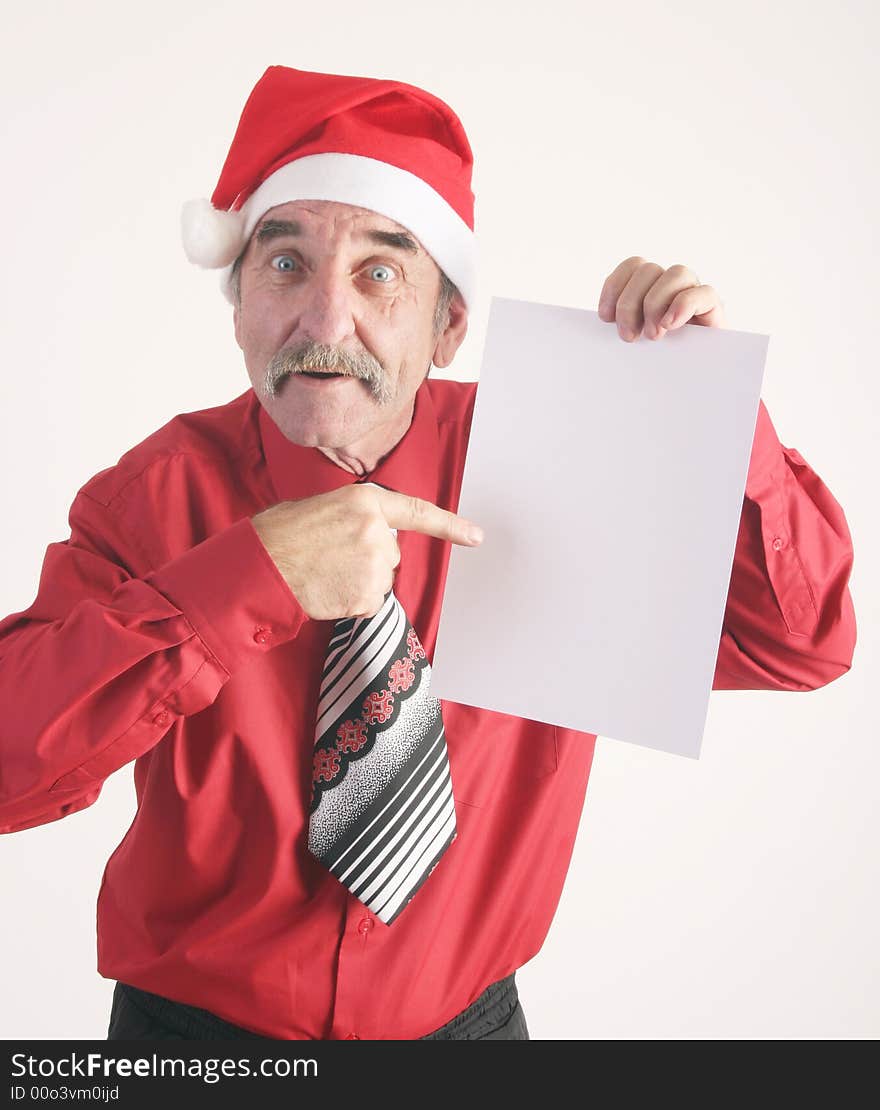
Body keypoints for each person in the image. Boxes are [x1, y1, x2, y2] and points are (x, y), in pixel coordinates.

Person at [0, 65, 856, 1041]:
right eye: (284, 266)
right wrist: (238, 584)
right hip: (190, 1046)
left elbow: (800, 643)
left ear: (448, 324)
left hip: (469, 1039)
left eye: (378, 272)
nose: (325, 320)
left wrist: (715, 416)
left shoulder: (559, 466)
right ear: (237, 305)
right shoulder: (147, 503)